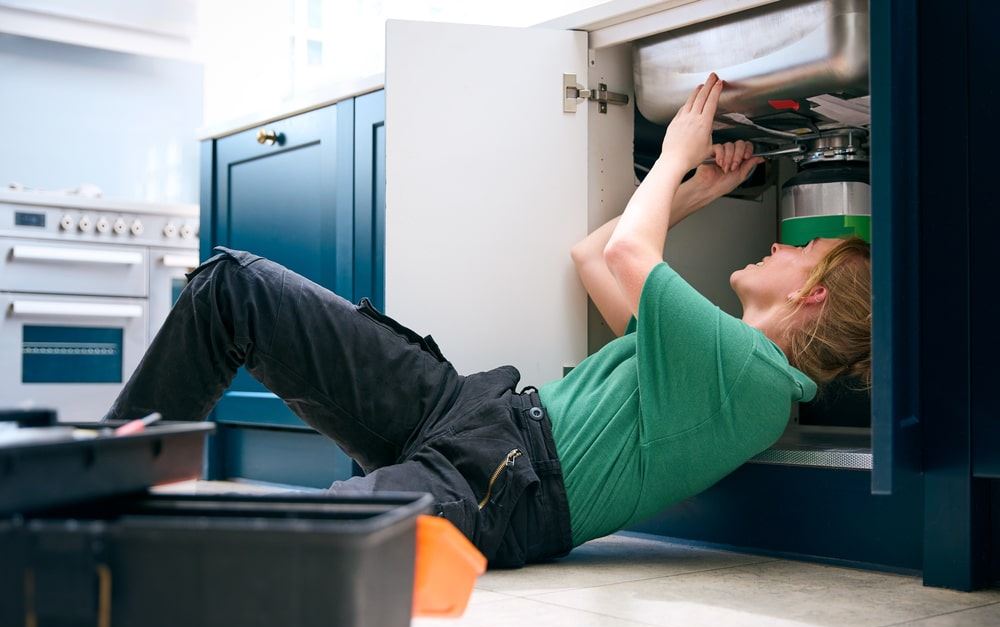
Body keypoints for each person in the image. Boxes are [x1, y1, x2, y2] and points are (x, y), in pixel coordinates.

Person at [106, 73, 871, 568]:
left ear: (814, 294)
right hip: (470, 411)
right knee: (235, 286)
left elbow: (628, 251)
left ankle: (103, 552)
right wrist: (697, 192)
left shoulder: (751, 377)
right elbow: (593, 256)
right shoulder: (715, 362)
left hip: (505, 483)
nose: (782, 244)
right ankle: (100, 484)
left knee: (303, 541)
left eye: (803, 250)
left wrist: (675, 156)